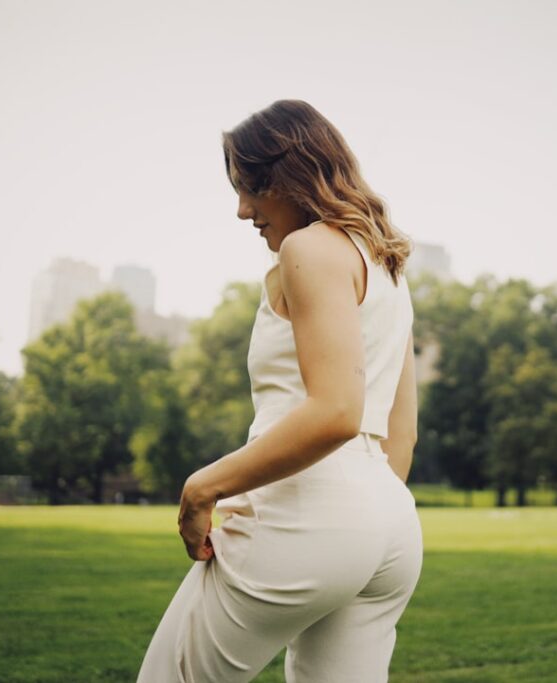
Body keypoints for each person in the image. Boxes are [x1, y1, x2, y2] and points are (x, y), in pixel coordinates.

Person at [136, 99, 422, 683]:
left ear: (293, 174)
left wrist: (202, 487)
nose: (243, 210)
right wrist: (364, 518)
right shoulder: (387, 266)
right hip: (390, 523)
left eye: (251, 187)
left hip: (308, 509)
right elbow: (402, 430)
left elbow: (337, 411)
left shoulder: (309, 248)